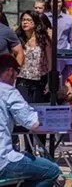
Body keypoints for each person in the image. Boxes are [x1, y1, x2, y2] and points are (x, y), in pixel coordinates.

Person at [0, 54, 61, 186]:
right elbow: (33, 123)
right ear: (10, 71)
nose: (15, 80)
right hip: (3, 161)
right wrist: (59, 117)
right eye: (16, 75)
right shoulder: (8, 91)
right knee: (52, 170)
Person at [14, 11, 51, 104]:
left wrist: (50, 81)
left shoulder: (43, 39)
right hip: (22, 79)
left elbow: (50, 61)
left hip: (40, 81)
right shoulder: (17, 38)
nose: (25, 22)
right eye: (23, 20)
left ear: (35, 23)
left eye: (28, 20)